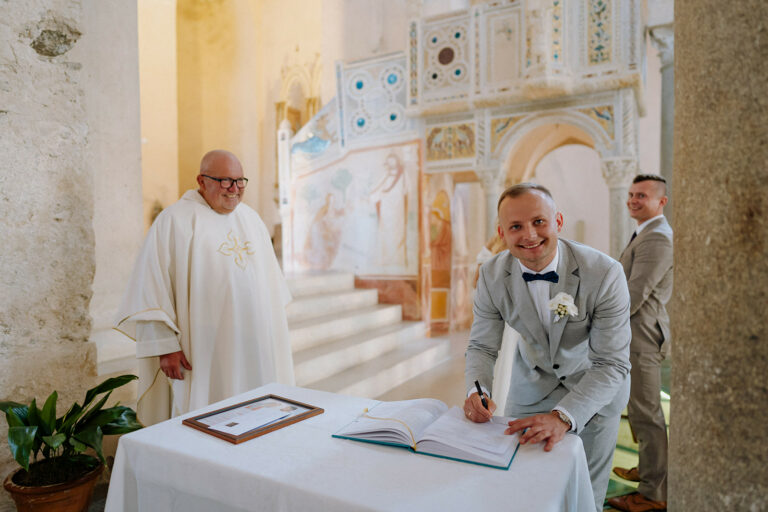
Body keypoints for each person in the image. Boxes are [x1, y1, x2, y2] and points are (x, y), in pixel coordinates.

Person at [464, 183, 631, 512]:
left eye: (539, 221)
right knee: (519, 485)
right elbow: (482, 345)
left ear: (558, 221)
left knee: (584, 495)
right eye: (516, 226)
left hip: (592, 392)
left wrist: (564, 416)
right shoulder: (491, 276)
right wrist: (477, 389)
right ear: (502, 232)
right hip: (530, 387)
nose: (529, 235)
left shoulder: (605, 273)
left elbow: (612, 364)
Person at [115, 150, 295, 425]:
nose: (234, 189)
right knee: (207, 415)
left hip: (252, 344)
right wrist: (165, 346)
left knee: (256, 412)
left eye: (240, 181)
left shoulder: (252, 220)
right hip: (201, 348)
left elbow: (271, 289)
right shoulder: (174, 221)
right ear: (202, 180)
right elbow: (151, 288)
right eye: (225, 181)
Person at [607, 175, 673, 512]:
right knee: (639, 408)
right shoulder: (645, 231)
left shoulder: (658, 238)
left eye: (642, 195)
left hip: (643, 335)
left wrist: (600, 321)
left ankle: (653, 494)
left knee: (647, 413)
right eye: (631, 194)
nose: (633, 200)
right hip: (635, 333)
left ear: (661, 201)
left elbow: (635, 293)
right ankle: (650, 471)